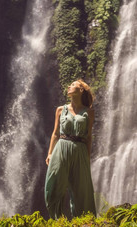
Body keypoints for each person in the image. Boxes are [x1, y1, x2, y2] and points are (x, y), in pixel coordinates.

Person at [44, 79, 96, 219]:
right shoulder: (60, 110)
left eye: (73, 85)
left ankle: (83, 222)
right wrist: (49, 153)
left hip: (80, 151)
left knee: (82, 191)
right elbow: (55, 133)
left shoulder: (89, 112)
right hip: (61, 147)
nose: (69, 86)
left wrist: (87, 157)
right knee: (53, 186)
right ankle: (58, 220)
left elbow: (89, 137)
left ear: (81, 90)